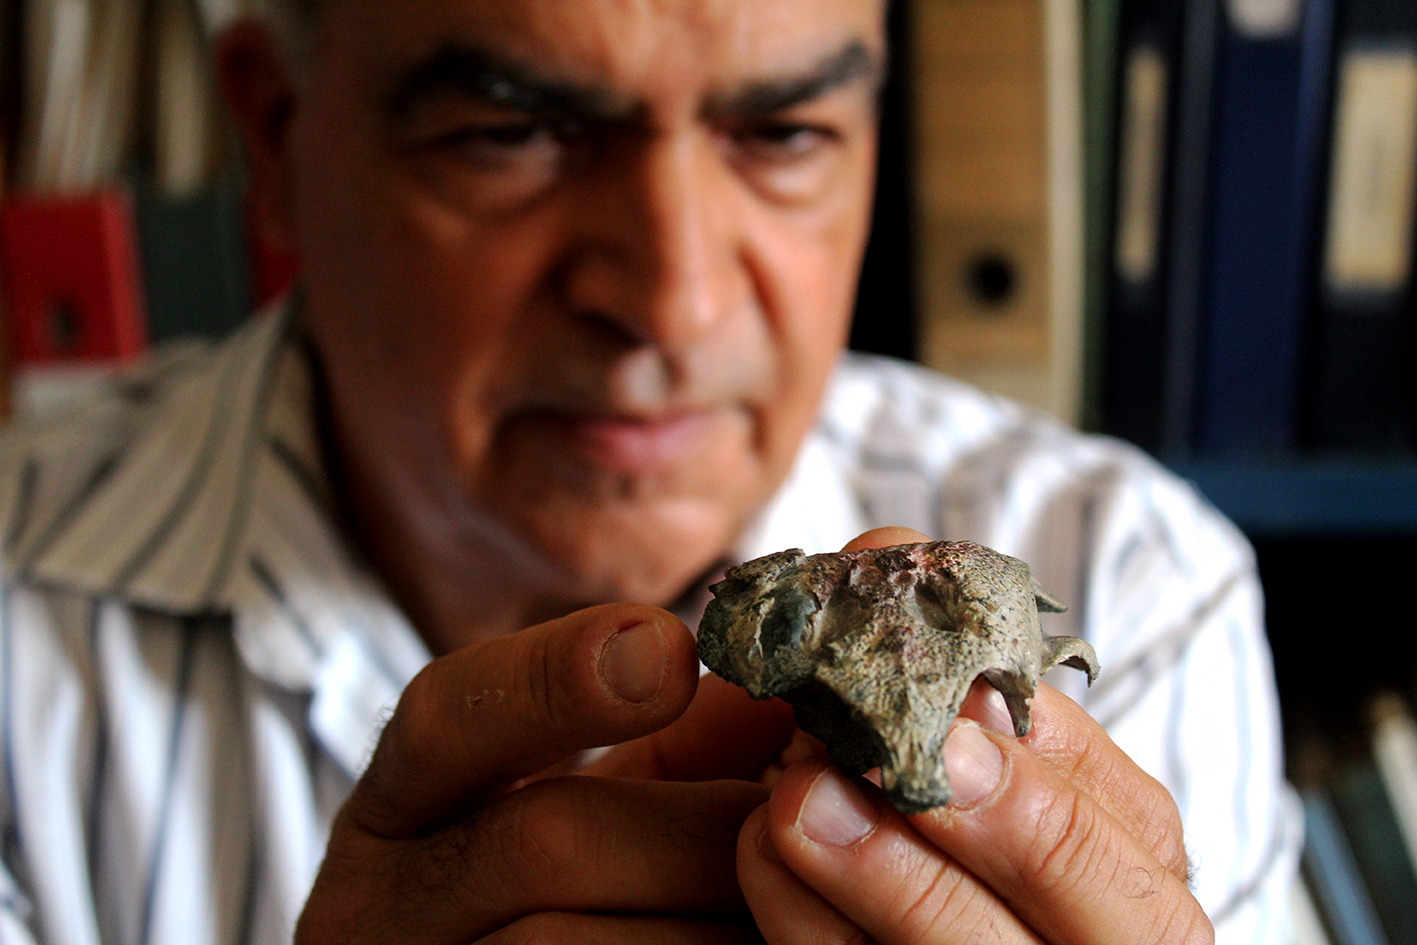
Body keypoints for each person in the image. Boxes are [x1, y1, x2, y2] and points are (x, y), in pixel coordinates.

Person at [0, 0, 1300, 942]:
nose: (674, 301)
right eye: (511, 133)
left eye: (782, 131)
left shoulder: (1137, 580)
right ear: (278, 140)